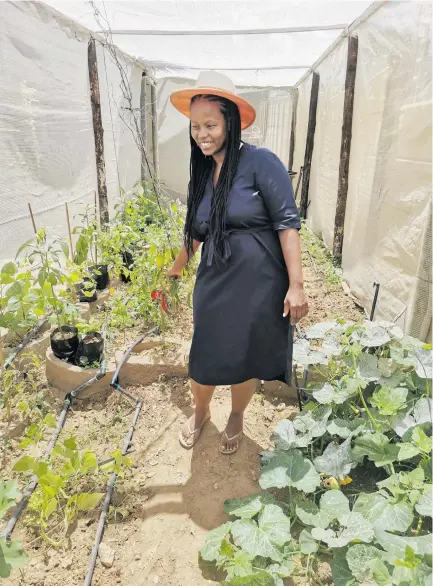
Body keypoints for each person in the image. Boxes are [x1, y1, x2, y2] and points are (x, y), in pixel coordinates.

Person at [168, 72, 308, 455]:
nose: (202, 134)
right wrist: (176, 267)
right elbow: (197, 231)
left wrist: (296, 285)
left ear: (231, 122)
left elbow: (287, 223)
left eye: (210, 125)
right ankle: (201, 411)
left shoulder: (261, 162)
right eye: (196, 126)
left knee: (245, 351)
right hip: (215, 278)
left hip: (259, 280)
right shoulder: (202, 169)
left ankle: (236, 415)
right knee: (206, 348)